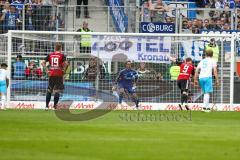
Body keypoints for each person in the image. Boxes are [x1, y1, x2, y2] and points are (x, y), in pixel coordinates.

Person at [41, 43, 67, 110]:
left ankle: (46, 106)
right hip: (58, 74)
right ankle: (54, 107)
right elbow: (66, 64)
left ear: (55, 48)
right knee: (57, 91)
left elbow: (42, 63)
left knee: (49, 90)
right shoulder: (62, 55)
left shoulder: (50, 55)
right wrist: (64, 70)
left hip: (51, 74)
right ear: (61, 48)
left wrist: (47, 70)